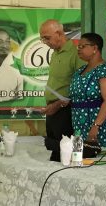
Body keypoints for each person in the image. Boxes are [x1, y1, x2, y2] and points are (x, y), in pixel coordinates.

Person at [39, 19, 86, 161]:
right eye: (42, 39)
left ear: (59, 33)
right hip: (52, 109)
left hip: (66, 111)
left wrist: (58, 104)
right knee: (54, 151)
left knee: (65, 155)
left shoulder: (76, 54)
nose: (45, 42)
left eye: (47, 38)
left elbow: (81, 87)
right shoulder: (55, 53)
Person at [69, 33, 106, 148]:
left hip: (99, 127)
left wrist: (96, 126)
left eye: (82, 46)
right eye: (78, 46)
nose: (79, 49)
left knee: (100, 160)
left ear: (95, 48)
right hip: (79, 125)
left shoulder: (105, 69)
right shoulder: (80, 71)